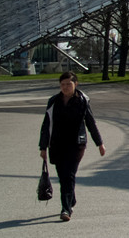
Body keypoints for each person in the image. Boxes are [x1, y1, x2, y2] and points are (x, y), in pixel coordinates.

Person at [39, 71, 106, 222]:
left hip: (76, 144)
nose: (65, 87)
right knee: (64, 176)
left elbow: (90, 123)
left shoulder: (82, 101)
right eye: (62, 85)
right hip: (56, 144)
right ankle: (71, 200)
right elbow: (46, 125)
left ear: (76, 84)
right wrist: (43, 147)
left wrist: (99, 143)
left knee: (68, 175)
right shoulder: (53, 102)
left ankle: (65, 209)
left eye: (68, 84)